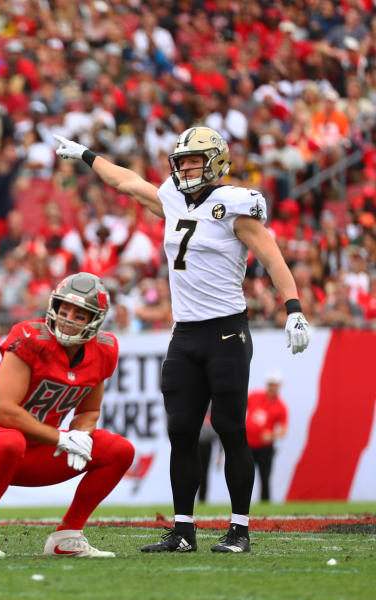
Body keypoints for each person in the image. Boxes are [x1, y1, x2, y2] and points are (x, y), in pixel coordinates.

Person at [54, 126, 311, 553]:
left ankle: (239, 530)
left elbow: (271, 254)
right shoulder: (172, 198)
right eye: (182, 161)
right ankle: (183, 531)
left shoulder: (234, 204)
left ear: (216, 161)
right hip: (184, 333)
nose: (186, 168)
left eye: (194, 160)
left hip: (226, 331)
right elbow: (126, 181)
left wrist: (294, 308)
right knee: (182, 432)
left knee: (230, 429)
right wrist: (86, 154)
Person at [0, 273, 135, 559]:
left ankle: (67, 536)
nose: (67, 318)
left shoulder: (104, 350)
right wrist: (61, 438)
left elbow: (89, 411)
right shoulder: (29, 337)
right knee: (10, 441)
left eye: (79, 313)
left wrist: (81, 433)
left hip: (37, 451)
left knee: (119, 450)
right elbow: (3, 411)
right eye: (64, 309)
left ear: (95, 319)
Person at [246, 370, 288, 503]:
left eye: (275, 384)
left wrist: (272, 435)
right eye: (270, 384)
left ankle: (265, 506)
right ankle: (242, 504)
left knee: (264, 477)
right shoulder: (254, 396)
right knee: (244, 477)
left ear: (279, 385)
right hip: (248, 446)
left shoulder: (281, 407)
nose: (272, 387)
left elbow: (283, 430)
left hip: (265, 448)